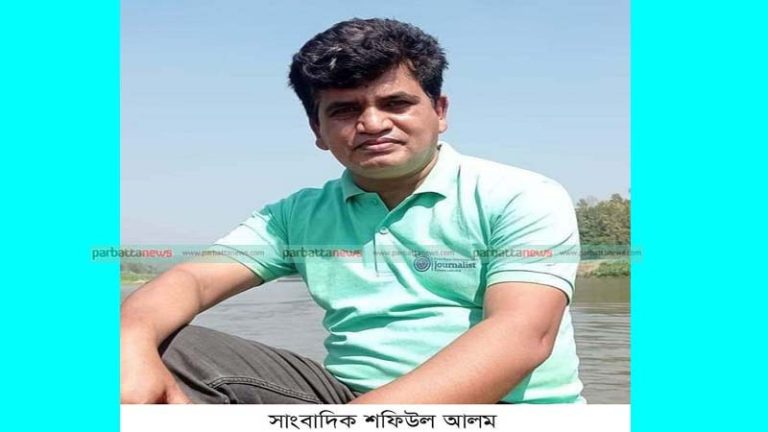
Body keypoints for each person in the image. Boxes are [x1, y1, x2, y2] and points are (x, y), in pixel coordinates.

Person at [120, 17, 584, 405]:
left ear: (440, 111)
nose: (373, 124)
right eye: (344, 110)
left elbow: (522, 334)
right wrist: (130, 340)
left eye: (396, 103)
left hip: (501, 411)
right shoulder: (295, 216)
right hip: (348, 399)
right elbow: (192, 280)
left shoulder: (521, 195)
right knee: (149, 344)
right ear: (317, 129)